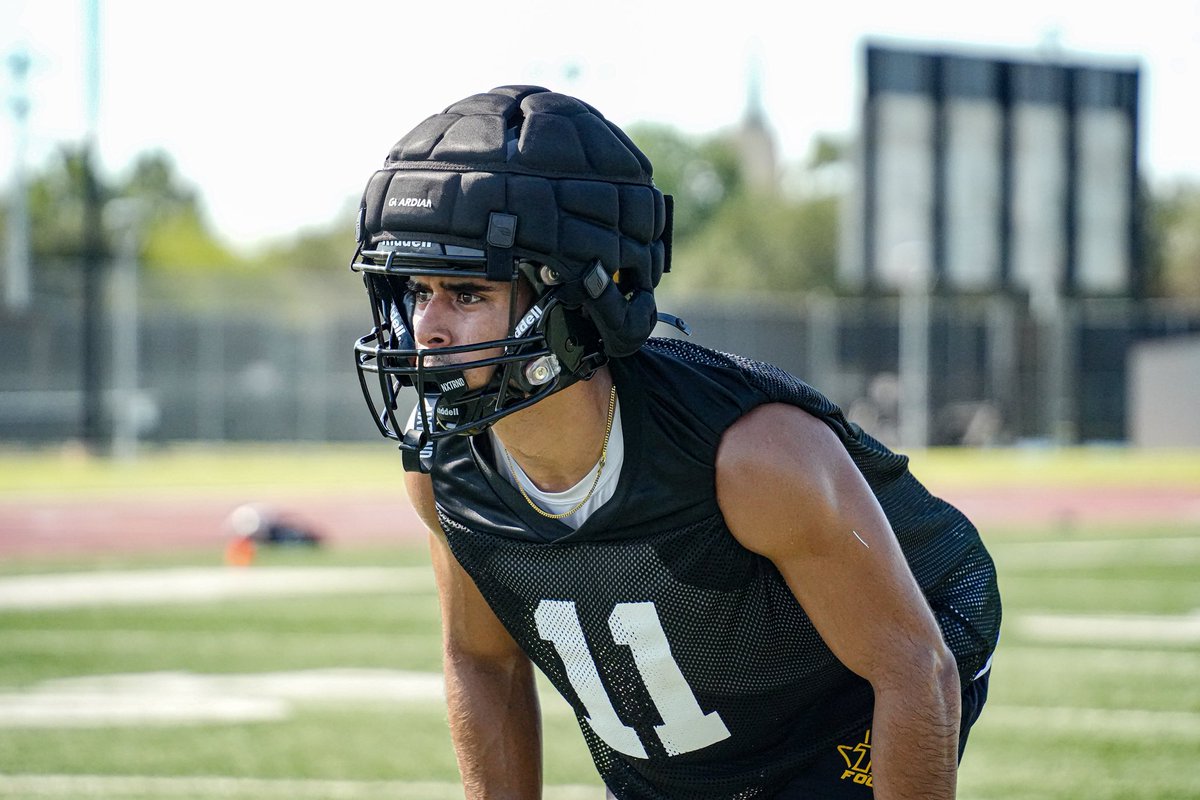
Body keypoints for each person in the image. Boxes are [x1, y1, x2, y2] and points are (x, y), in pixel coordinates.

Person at [348, 85, 1001, 799]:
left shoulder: (750, 456)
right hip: (684, 752)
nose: (426, 330)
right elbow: (483, 660)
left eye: (467, 294)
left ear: (574, 301)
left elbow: (915, 668)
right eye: (417, 291)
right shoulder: (444, 468)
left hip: (840, 708)